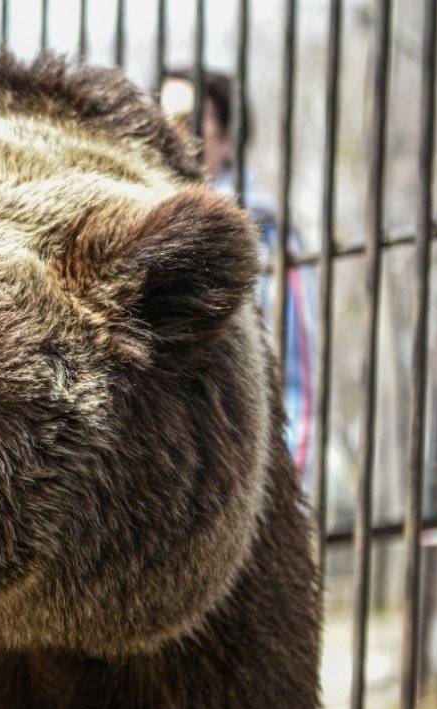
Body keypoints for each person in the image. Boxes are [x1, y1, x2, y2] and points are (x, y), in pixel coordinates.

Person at [161, 70, 318, 492]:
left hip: (243, 492)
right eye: (159, 117)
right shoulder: (143, 232)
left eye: (189, 118)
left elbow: (298, 389)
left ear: (228, 139)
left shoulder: (269, 239)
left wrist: (283, 497)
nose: (170, 131)